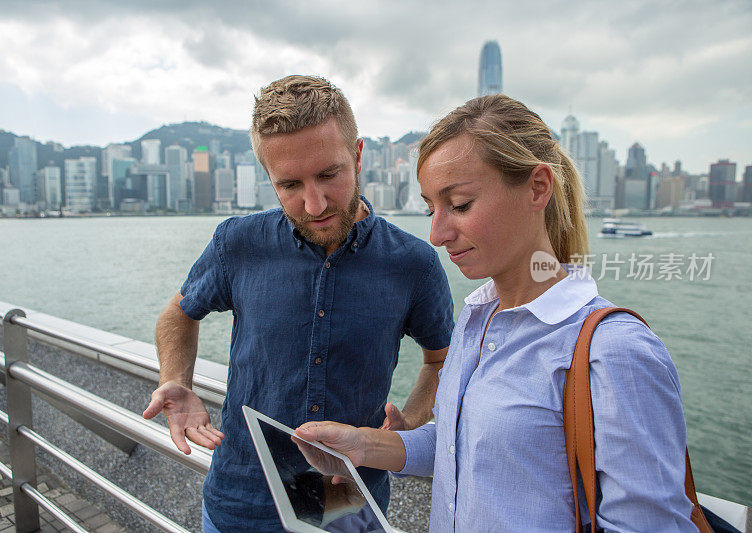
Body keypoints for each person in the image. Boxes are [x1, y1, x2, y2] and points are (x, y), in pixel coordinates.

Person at [295, 94, 698, 532]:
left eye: (461, 205)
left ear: (538, 188)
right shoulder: (475, 319)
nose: (437, 233)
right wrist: (363, 445)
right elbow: (466, 446)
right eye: (433, 208)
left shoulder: (617, 352)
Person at [141, 75, 454, 532]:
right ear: (269, 178)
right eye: (289, 184)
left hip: (349, 501)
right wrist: (176, 379)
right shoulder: (238, 242)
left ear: (359, 155)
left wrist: (411, 421)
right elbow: (179, 314)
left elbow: (440, 359)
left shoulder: (414, 263)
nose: (313, 203)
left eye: (329, 175)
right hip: (241, 499)